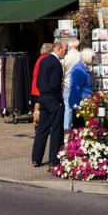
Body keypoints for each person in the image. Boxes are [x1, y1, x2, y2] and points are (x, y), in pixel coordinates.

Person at [31, 40, 67, 171]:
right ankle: (53, 160)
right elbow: (55, 84)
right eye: (65, 50)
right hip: (52, 98)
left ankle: (36, 158)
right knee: (56, 129)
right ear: (58, 49)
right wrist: (58, 99)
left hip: (43, 96)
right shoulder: (56, 63)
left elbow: (39, 81)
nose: (65, 53)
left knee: (42, 128)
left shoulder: (44, 60)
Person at [67, 48, 95, 128]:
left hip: (85, 101)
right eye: (92, 58)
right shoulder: (79, 69)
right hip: (80, 102)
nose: (94, 60)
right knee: (79, 125)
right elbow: (75, 88)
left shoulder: (84, 68)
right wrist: (77, 105)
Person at [62, 38, 81, 131]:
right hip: (79, 85)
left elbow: (62, 72)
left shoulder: (65, 57)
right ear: (77, 46)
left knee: (68, 108)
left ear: (69, 46)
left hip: (67, 84)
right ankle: (81, 128)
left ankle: (66, 129)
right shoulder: (81, 56)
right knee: (80, 107)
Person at [31, 43, 52, 127]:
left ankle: (38, 124)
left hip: (36, 88)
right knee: (39, 109)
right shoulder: (44, 59)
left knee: (38, 108)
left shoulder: (40, 59)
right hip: (39, 89)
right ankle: (39, 124)